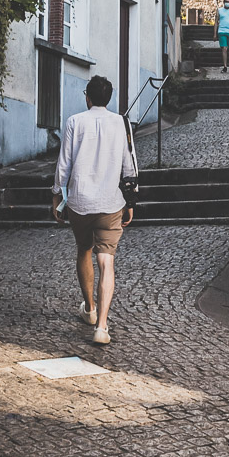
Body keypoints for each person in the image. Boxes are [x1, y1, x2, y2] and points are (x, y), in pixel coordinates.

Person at [51, 74, 137, 345]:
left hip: (80, 202)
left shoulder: (74, 122)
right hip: (111, 203)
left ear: (87, 97)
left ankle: (89, 309)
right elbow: (129, 164)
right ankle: (102, 327)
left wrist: (56, 197)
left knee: (84, 250)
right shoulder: (121, 122)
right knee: (106, 261)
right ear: (108, 98)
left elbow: (64, 164)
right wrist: (131, 201)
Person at [214, 0, 229, 71]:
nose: (227, 3)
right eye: (226, 1)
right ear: (224, 2)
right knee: (224, 48)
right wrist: (215, 34)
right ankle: (225, 66)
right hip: (222, 31)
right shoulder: (219, 10)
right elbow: (216, 22)